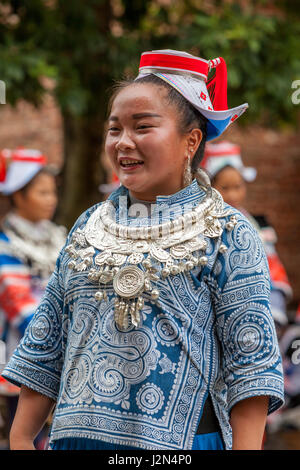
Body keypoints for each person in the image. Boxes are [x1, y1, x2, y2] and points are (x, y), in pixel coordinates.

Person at [2, 50, 284, 451]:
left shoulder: (229, 233)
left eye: (143, 126)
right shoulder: (88, 227)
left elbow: (251, 362)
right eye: (114, 128)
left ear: (191, 140)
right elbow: (48, 339)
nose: (123, 142)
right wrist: (20, 438)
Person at [0, 147, 66, 448]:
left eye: (52, 192)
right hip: (22, 353)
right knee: (26, 434)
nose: (51, 200)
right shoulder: (6, 244)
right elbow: (20, 306)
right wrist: (63, 335)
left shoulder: (60, 237)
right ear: (17, 196)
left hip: (60, 346)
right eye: (42, 193)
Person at [201, 140, 293, 337]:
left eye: (238, 186)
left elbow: (272, 267)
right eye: (225, 188)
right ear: (210, 187)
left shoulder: (256, 224)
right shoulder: (203, 225)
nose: (233, 194)